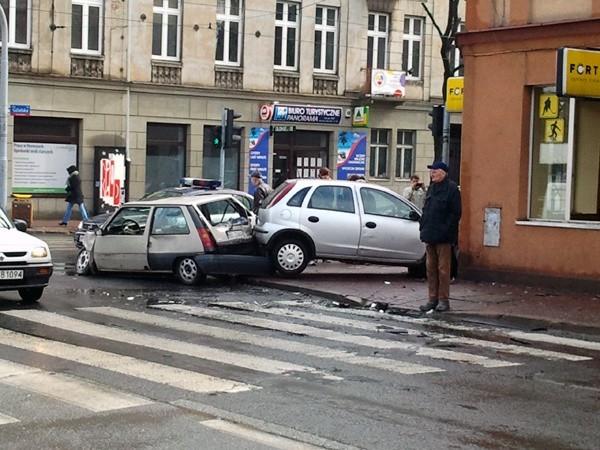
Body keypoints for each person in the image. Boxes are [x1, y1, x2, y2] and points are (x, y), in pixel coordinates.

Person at [418, 161, 461, 312]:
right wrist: (423, 226)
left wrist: (445, 230)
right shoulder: (432, 189)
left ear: (443, 173)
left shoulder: (451, 189)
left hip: (443, 236)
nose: (432, 174)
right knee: (430, 268)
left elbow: (455, 213)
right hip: (430, 234)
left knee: (443, 269)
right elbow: (426, 210)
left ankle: (443, 300)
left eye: (435, 171)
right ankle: (432, 299)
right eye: (432, 172)